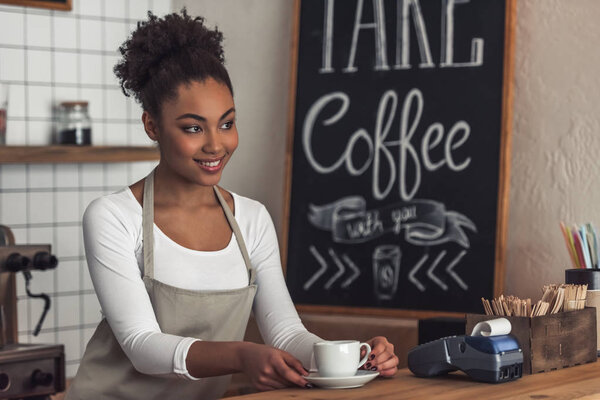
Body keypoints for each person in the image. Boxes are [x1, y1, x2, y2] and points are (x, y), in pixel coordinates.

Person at [65, 10, 398, 400]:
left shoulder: (252, 220)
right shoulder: (114, 217)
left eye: (226, 123)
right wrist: (242, 354)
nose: (215, 145)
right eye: (193, 128)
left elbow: (286, 334)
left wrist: (356, 356)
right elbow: (141, 346)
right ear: (152, 125)